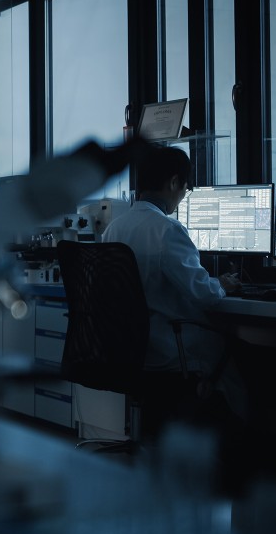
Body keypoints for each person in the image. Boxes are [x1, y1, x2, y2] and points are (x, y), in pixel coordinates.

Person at [102, 145, 245, 418]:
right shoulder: (167, 230)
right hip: (171, 351)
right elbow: (205, 295)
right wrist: (222, 285)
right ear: (174, 182)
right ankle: (241, 452)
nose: (182, 195)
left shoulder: (113, 229)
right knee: (239, 384)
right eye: (185, 188)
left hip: (131, 351)